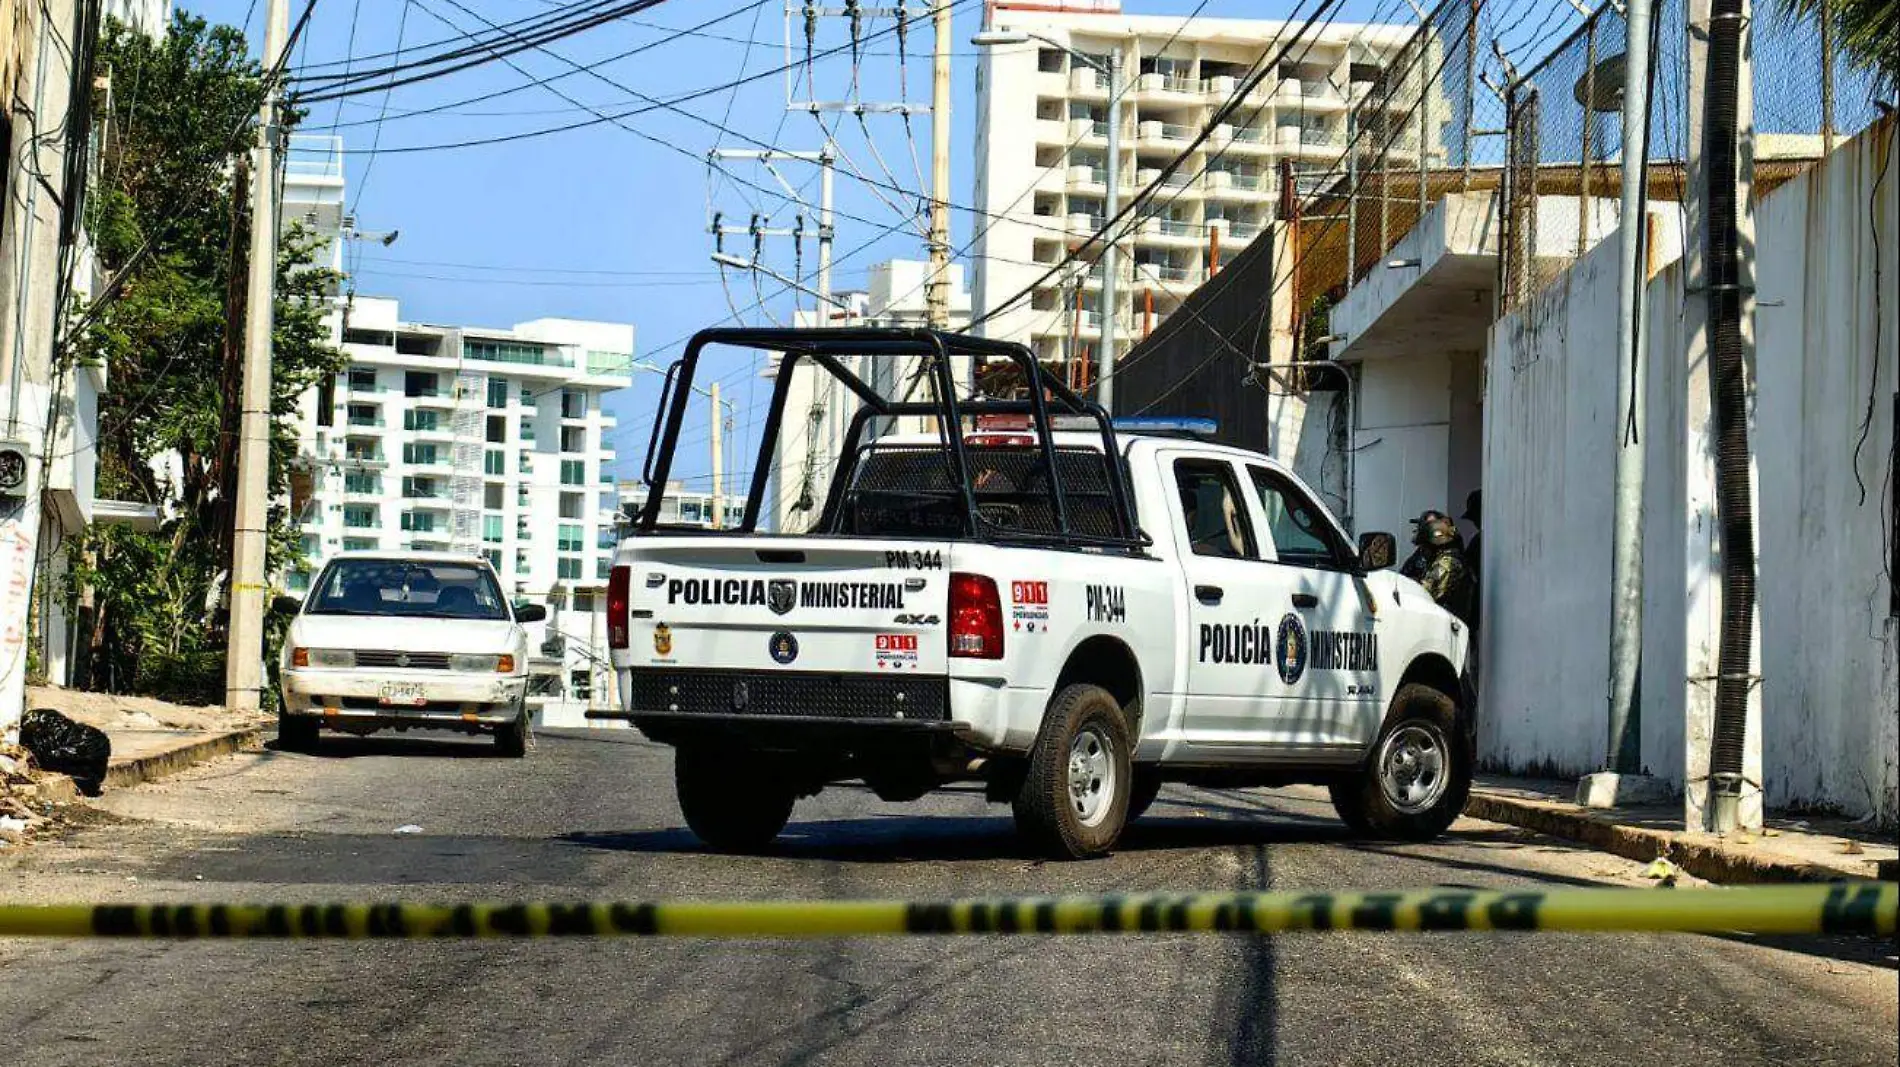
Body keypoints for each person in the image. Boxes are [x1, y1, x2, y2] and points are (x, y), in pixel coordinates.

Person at [1400, 509, 1475, 624]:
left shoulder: (1449, 561)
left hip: (1448, 631)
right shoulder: (1425, 555)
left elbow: (1423, 593)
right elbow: (1403, 577)